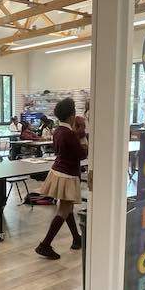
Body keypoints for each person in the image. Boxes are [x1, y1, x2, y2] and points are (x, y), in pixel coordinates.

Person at [35, 98, 88, 260]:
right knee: (65, 209)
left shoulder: (58, 131)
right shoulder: (70, 134)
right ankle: (45, 245)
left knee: (67, 206)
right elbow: (83, 154)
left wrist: (78, 133)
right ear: (71, 115)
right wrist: (82, 134)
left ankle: (76, 239)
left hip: (58, 172)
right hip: (68, 175)